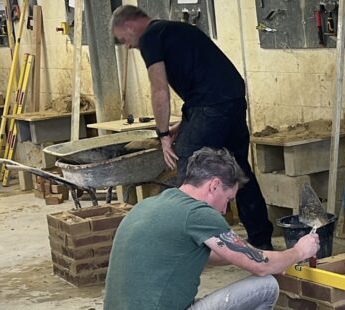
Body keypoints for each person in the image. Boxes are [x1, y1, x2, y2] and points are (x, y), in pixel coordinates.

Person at [103, 147, 319, 310]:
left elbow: (214, 254)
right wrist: (298, 252)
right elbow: (261, 267)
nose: (225, 209)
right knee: (265, 287)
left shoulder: (154, 204)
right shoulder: (198, 213)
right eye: (228, 199)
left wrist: (267, 258)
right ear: (214, 185)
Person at [110, 6, 274, 249]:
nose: (128, 46)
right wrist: (184, 122)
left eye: (124, 39)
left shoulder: (150, 38)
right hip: (232, 100)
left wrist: (163, 135)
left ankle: (187, 247)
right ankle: (261, 243)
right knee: (238, 169)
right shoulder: (176, 29)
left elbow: (159, 90)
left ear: (130, 26)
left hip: (211, 106)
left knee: (189, 169)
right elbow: (206, 82)